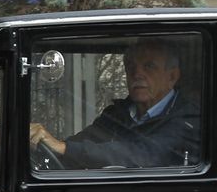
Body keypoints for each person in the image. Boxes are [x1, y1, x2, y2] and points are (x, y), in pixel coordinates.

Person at [29, 39, 200, 169]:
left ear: (172, 77)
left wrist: (64, 148)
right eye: (130, 66)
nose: (137, 73)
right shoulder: (118, 114)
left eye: (149, 66)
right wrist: (36, 142)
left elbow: (139, 156)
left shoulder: (188, 120)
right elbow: (79, 144)